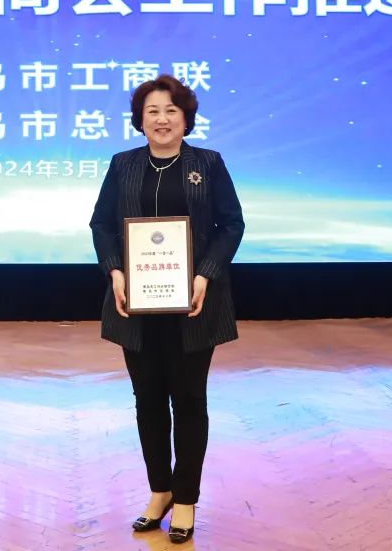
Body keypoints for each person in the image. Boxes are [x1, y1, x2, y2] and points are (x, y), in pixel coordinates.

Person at [89, 74, 245, 544]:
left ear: (186, 119)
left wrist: (205, 274)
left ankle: (187, 499)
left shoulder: (208, 163)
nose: (161, 119)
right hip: (135, 308)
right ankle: (159, 492)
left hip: (194, 305)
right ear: (140, 120)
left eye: (171, 111)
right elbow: (101, 224)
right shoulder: (123, 165)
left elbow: (231, 224)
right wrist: (116, 271)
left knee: (190, 401)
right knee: (149, 402)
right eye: (152, 111)